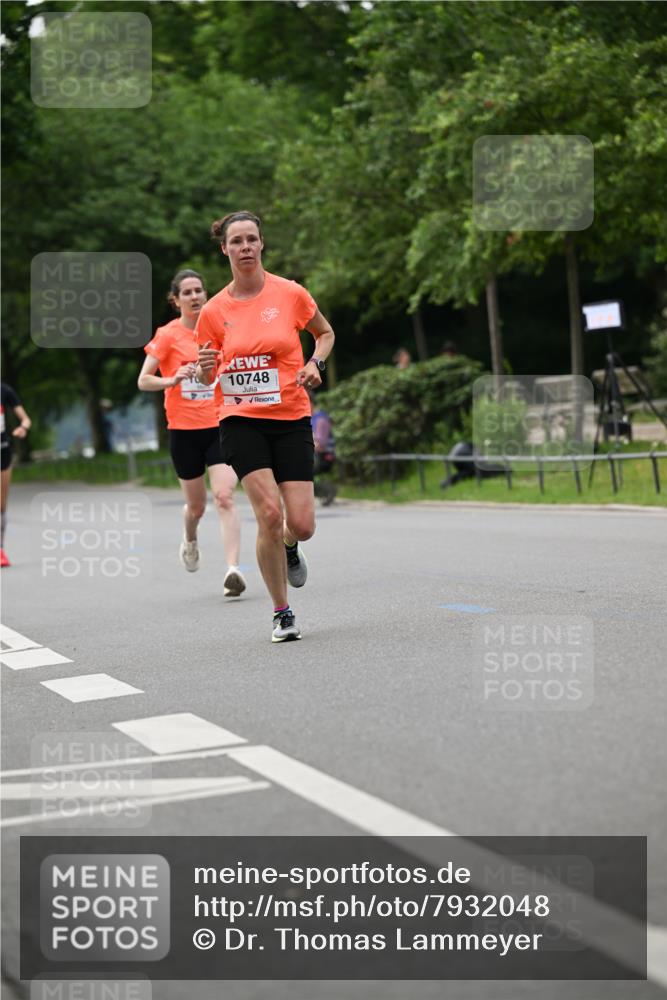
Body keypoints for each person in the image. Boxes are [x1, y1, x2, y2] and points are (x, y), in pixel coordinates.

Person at [196, 211, 335, 643]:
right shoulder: (214, 310)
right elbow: (205, 377)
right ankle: (282, 612)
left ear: (261, 244)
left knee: (303, 523)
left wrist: (315, 363)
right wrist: (203, 369)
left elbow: (325, 333)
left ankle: (292, 545)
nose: (245, 247)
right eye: (236, 241)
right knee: (268, 515)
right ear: (225, 249)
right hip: (240, 420)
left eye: (252, 239)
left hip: (291, 415)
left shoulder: (290, 293)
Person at [138, 269, 246, 598]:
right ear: (176, 300)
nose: (195, 296)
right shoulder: (168, 335)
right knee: (196, 508)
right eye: (187, 292)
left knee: (225, 497)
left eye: (199, 290)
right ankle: (190, 539)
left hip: (218, 425)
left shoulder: (218, 329)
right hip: (184, 432)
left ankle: (233, 569)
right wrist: (171, 380)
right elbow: (144, 380)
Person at [1, 381, 32, 567]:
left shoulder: (4, 390)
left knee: (1, 506)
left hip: (2, 451)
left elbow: (26, 419)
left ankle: (0, 550)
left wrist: (23, 428)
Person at [308, 388, 337, 506]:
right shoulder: (310, 419)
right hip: (316, 455)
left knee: (300, 474)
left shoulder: (320, 419)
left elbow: (320, 445)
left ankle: (326, 490)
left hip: (324, 456)